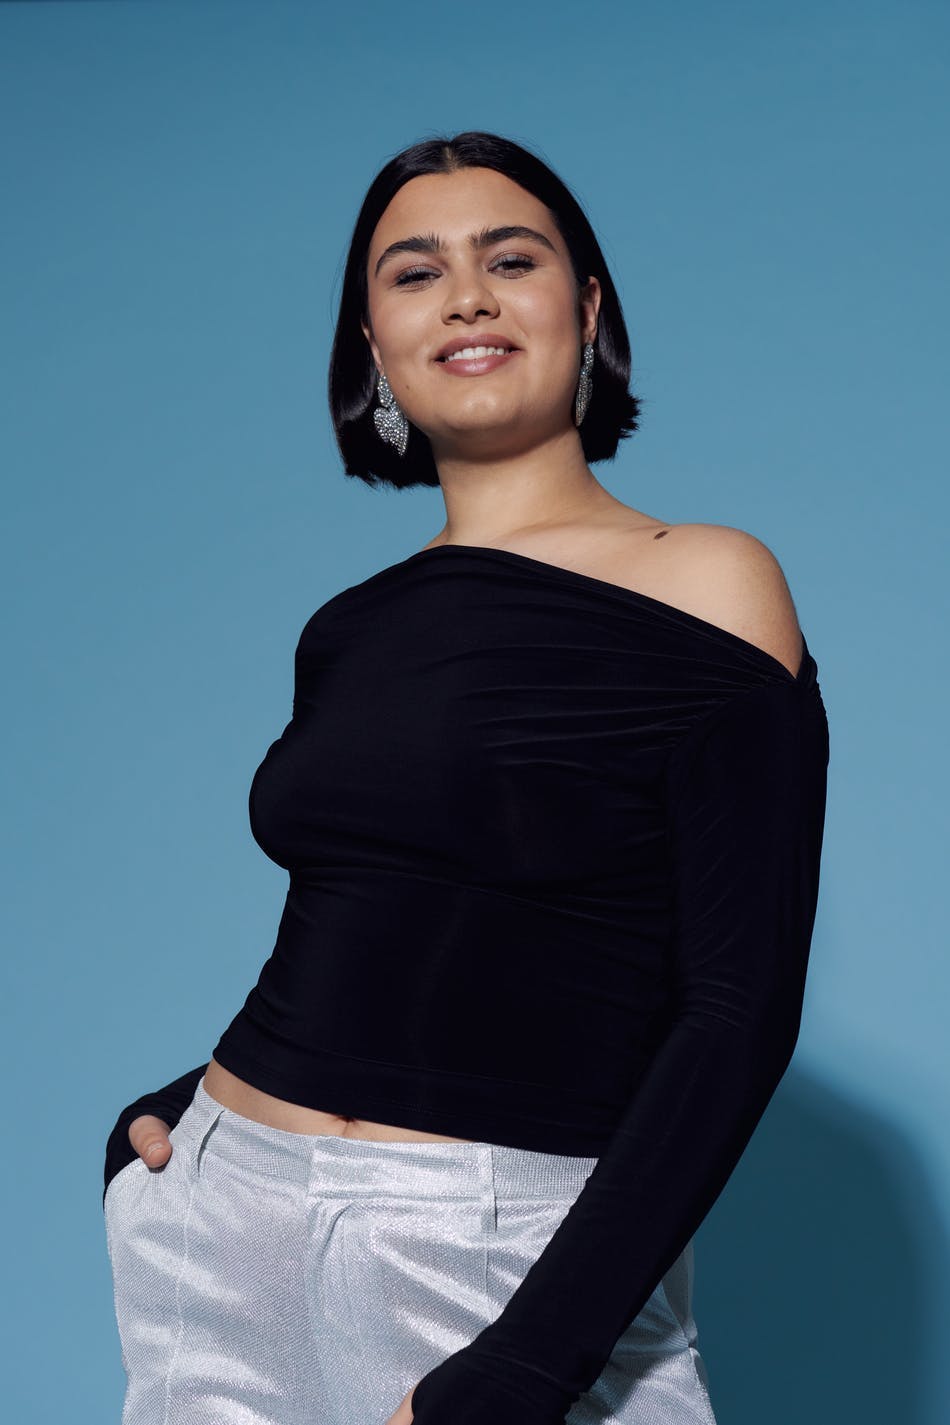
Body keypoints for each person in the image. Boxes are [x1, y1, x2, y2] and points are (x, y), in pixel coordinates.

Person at [101, 130, 830, 1425]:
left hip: (508, 1261)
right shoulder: (347, 629)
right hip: (225, 1231)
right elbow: (376, 912)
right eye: (414, 272)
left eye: (511, 259)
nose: (467, 298)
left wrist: (527, 1366)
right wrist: (173, 1119)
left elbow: (736, 1010)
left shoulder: (710, 576)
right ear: (373, 344)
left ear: (586, 309)